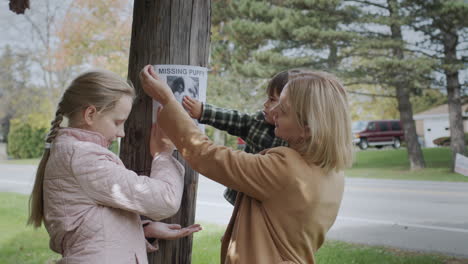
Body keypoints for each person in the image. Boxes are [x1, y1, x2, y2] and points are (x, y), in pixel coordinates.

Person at [140, 65, 353, 264]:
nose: (274, 111)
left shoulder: (285, 169)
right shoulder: (332, 172)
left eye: (284, 109)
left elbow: (206, 155)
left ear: (307, 128)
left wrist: (168, 101)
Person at [27, 70, 201, 264]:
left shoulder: (71, 154)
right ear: (91, 114)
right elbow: (165, 200)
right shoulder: (84, 158)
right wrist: (162, 154)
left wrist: (141, 229)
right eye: (118, 122)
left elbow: (89, 225)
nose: (122, 133)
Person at [182, 71, 288, 205]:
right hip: (242, 200)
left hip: (268, 205)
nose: (265, 104)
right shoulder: (258, 121)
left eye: (272, 99)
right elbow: (235, 120)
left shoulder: (295, 142)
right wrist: (204, 111)